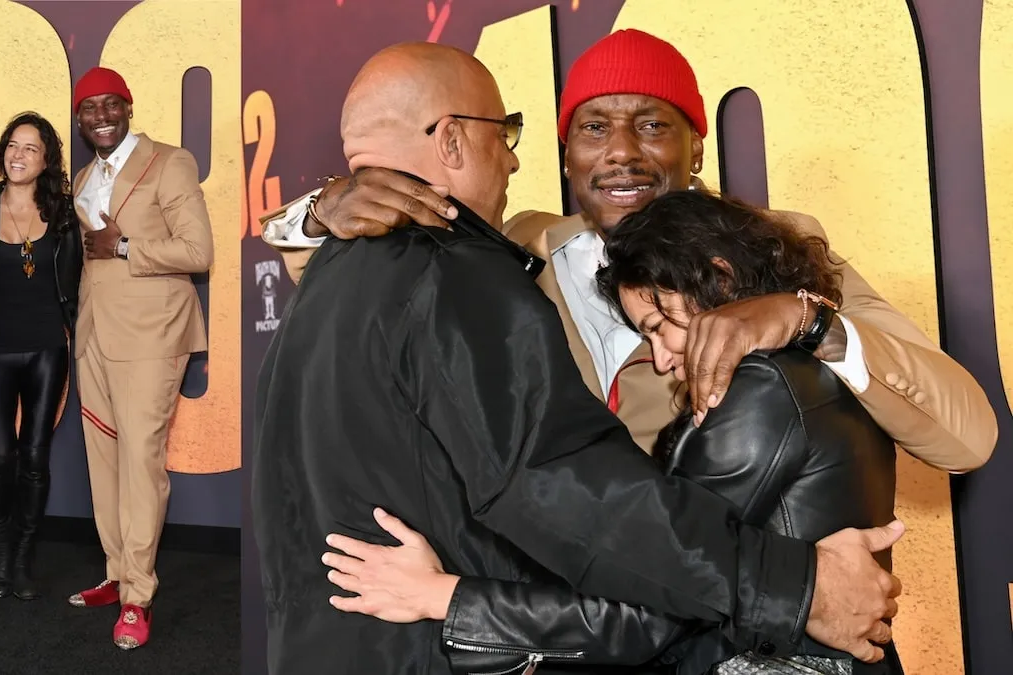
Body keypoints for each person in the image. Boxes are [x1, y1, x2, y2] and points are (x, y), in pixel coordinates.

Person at [253, 41, 901, 675]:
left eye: (651, 124)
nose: (510, 163)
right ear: (450, 141)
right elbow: (560, 482)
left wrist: (811, 319)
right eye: (503, 134)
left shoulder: (325, 289)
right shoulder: (461, 272)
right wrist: (798, 587)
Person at [261, 29, 997, 472]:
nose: (621, 154)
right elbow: (318, 263)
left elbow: (968, 437)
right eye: (593, 128)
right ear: (565, 152)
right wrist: (324, 208)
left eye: (651, 125)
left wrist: (806, 322)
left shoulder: (777, 247)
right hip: (581, 623)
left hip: (740, 606)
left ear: (695, 145)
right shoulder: (520, 245)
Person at [321, 190, 904, 675]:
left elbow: (653, 612)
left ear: (719, 277)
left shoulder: (761, 392)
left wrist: (441, 598)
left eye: (657, 327)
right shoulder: (813, 377)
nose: (660, 358)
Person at [65, 66, 214, 650]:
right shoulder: (84, 175)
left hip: (152, 336)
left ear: (128, 107)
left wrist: (124, 245)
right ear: (79, 119)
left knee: (142, 463)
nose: (100, 116)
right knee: (104, 459)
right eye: (88, 109)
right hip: (95, 334)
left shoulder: (169, 162)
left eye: (110, 105)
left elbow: (198, 250)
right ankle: (116, 572)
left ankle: (139, 597)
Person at [0, 112, 81, 601]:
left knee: (34, 456)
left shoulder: (62, 213)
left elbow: (76, 286)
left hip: (46, 348)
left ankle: (22, 557)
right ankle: (0, 548)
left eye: (30, 149)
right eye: (12, 146)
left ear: (46, 160)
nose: (18, 155)